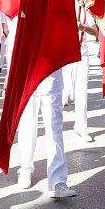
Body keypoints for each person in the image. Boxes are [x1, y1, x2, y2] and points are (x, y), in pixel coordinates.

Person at [17, 69, 78, 198]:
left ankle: (57, 181)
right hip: (27, 73)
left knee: (54, 128)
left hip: (51, 73)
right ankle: (25, 168)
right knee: (27, 124)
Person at [62, 0, 98, 142]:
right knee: (63, 92)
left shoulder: (85, 10)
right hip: (64, 54)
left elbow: (95, 31)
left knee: (81, 91)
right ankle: (53, 122)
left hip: (82, 54)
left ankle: (81, 127)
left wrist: (83, 27)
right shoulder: (63, 6)